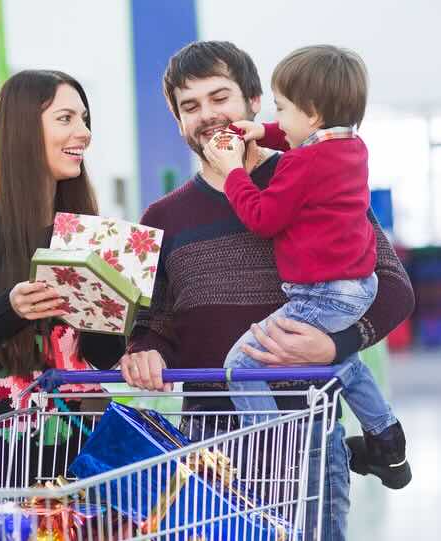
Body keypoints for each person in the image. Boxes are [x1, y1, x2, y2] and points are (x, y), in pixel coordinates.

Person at [119, 41, 414, 541]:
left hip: (309, 444)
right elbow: (155, 321)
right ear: (177, 122)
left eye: (220, 98)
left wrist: (337, 345)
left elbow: (392, 287)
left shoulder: (313, 174)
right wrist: (142, 348)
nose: (208, 116)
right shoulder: (161, 219)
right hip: (208, 452)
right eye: (190, 107)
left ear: (254, 102)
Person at [203, 45, 410, 490]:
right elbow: (302, 137)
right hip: (359, 286)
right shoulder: (350, 147)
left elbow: (263, 218)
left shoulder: (299, 164)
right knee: (342, 359)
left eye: (281, 108)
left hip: (322, 293)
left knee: (241, 366)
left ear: (312, 114)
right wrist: (265, 130)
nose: (278, 118)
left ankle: (278, 454)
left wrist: (232, 171)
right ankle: (386, 437)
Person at [0, 70, 125, 486]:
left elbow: (105, 357)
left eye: (84, 119)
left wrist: (112, 306)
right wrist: (11, 307)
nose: (84, 133)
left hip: (89, 457)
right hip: (4, 461)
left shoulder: (86, 231)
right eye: (66, 118)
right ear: (22, 129)